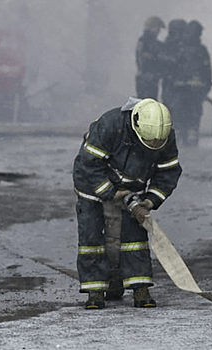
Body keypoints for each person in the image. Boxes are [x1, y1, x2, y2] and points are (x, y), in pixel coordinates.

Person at [72, 97, 182, 309]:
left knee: (134, 239)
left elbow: (168, 171)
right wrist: (111, 192)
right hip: (92, 186)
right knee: (91, 238)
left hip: (132, 188)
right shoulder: (110, 125)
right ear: (136, 125)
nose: (153, 147)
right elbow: (88, 164)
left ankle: (140, 288)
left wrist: (150, 200)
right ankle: (95, 291)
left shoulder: (164, 135)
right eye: (148, 143)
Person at [168, 20, 212, 147]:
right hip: (193, 91)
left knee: (181, 117)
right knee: (192, 117)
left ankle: (182, 140)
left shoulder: (179, 49)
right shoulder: (200, 50)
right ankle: (189, 140)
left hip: (181, 90)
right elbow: (207, 71)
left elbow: (171, 70)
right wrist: (206, 87)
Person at [135, 16, 167, 99]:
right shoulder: (144, 41)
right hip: (146, 80)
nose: (158, 31)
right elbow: (143, 59)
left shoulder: (152, 42)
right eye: (157, 29)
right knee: (147, 104)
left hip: (150, 80)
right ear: (152, 28)